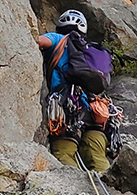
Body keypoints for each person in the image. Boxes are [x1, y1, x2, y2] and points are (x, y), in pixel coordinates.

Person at [37, 9, 112, 172]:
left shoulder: (59, 39)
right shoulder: (92, 52)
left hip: (67, 109)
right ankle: (105, 192)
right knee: (97, 158)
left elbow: (39, 42)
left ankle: (76, 194)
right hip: (95, 112)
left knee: (64, 154)